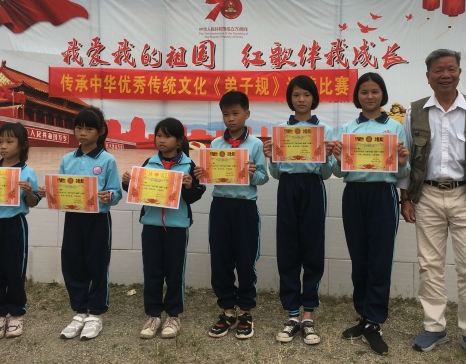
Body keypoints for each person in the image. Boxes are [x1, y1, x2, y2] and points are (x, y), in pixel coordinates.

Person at [399, 49, 466, 364]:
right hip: (426, 196)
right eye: (438, 70)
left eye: (451, 69)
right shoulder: (414, 112)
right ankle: (434, 328)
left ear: (459, 73)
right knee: (429, 265)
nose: (445, 75)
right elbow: (405, 160)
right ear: (428, 76)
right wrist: (405, 198)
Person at [332, 72, 410, 355]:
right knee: (359, 258)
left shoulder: (395, 128)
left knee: (380, 258)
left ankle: (374, 321)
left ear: (382, 94)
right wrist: (338, 158)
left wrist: (402, 161)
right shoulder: (348, 128)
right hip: (354, 194)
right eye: (364, 91)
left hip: (382, 194)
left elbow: (402, 172)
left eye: (375, 91)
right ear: (357, 96)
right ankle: (363, 316)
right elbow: (340, 172)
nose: (369, 96)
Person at [262, 75, 335, 345]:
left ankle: (308, 314)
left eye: (306, 94)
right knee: (288, 248)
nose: (301, 99)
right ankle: (292, 314)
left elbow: (326, 173)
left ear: (314, 98)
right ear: (289, 99)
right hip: (288, 187)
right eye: (296, 95)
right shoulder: (281, 129)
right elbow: (276, 173)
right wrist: (272, 157)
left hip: (313, 187)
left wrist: (326, 156)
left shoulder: (324, 130)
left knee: (313, 248)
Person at [38, 107, 122, 340]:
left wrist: (109, 195)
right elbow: (61, 190)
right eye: (79, 128)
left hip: (98, 220)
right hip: (73, 219)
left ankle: (96, 314)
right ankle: (79, 311)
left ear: (101, 131)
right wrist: (49, 192)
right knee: (73, 262)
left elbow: (116, 192)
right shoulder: (68, 159)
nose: (82, 133)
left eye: (89, 128)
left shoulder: (107, 160)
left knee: (97, 264)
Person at [194, 91, 269, 340]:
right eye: (226, 114)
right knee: (221, 259)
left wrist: (252, 173)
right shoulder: (216, 145)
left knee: (246, 260)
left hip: (245, 207)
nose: (231, 119)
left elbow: (263, 178)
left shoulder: (255, 145)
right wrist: (202, 174)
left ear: (247, 114)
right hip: (221, 206)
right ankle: (227, 310)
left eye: (235, 113)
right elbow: (209, 177)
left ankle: (245, 311)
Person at [122, 117, 205, 340]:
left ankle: (173, 316)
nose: (161, 140)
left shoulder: (189, 166)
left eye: (167, 136)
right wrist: (127, 182)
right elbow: (137, 192)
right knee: (152, 272)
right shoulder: (148, 163)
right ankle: (153, 315)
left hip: (177, 228)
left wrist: (190, 186)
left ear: (178, 141)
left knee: (174, 272)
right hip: (151, 226)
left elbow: (195, 195)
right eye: (158, 135)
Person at [0, 122, 41, 339]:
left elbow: (33, 202)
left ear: (22, 145)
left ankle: (16, 314)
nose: (3, 146)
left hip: (14, 225)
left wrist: (29, 192)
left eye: (9, 141)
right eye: (0, 142)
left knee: (14, 270)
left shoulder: (27, 172)